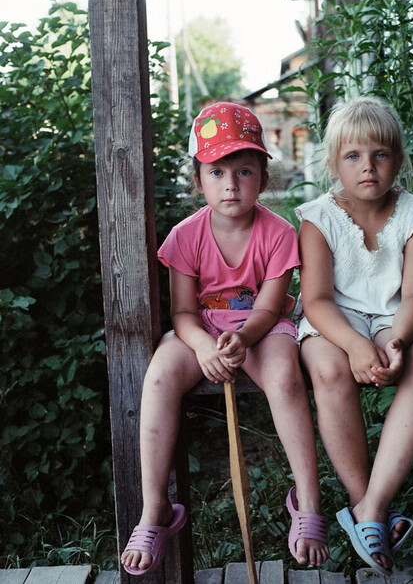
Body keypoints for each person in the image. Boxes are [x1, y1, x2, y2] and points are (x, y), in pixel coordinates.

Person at [120, 102, 329, 575]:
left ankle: (309, 502)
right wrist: (201, 346)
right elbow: (184, 312)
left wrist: (242, 339)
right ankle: (155, 508)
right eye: (217, 172)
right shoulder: (185, 236)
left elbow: (269, 306)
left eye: (244, 171)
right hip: (203, 331)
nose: (231, 184)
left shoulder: (278, 234)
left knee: (284, 376)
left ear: (263, 177)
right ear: (199, 181)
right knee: (159, 377)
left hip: (261, 327)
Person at [296, 96, 413, 576]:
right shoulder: (317, 218)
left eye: (381, 155)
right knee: (327, 366)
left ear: (398, 160)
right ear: (332, 165)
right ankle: (368, 506)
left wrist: (396, 341)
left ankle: (373, 504)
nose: (368, 167)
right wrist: (357, 345)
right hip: (336, 319)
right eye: (354, 156)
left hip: (396, 316)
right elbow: (317, 300)